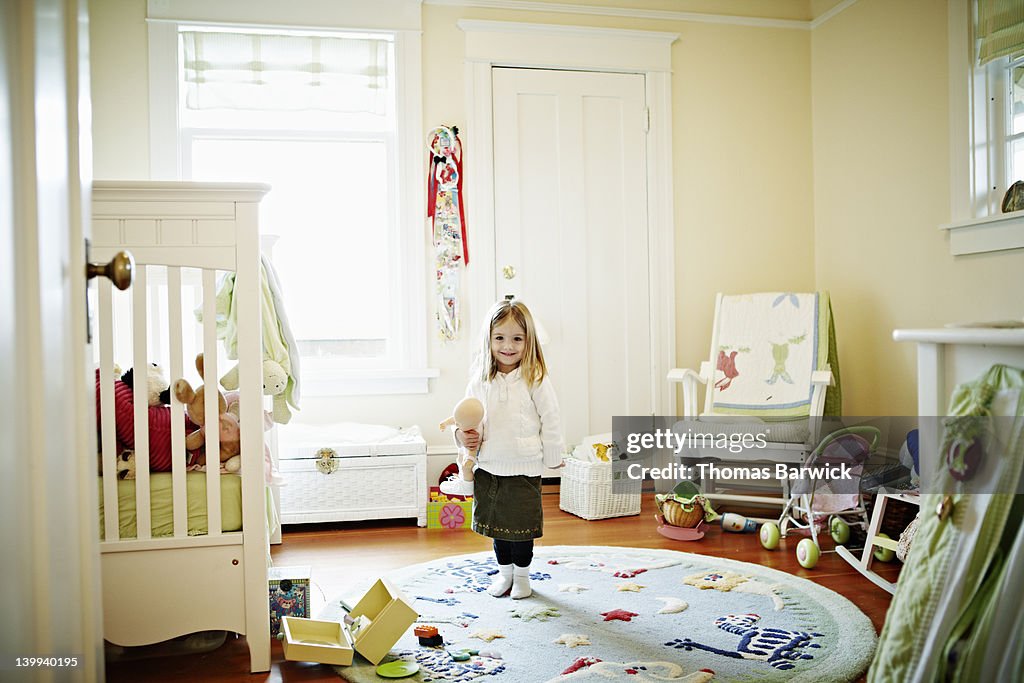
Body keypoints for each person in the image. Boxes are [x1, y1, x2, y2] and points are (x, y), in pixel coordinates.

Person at [450, 298, 563, 599]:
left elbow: (550, 417)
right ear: (489, 340)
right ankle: (505, 574)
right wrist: (463, 437)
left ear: (529, 342)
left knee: (522, 529)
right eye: (499, 338)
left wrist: (553, 453)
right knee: (498, 529)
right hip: (489, 466)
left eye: (517, 339)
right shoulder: (480, 380)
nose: (508, 346)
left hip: (524, 466)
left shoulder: (534, 379)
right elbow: (465, 417)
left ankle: (523, 577)